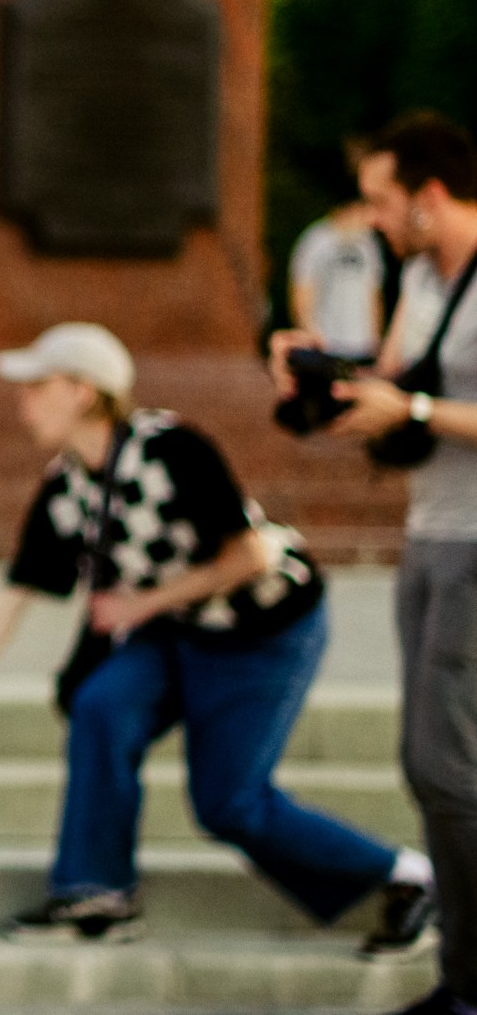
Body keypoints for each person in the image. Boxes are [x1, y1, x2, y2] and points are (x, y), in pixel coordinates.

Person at [0, 322, 434, 950]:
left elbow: (251, 557)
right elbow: (2, 611)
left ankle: (405, 877)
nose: (21, 400)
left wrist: (144, 603)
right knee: (102, 704)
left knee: (229, 804)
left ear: (83, 391)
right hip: (176, 629)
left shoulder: (172, 449)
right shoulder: (66, 489)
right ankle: (95, 894)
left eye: (36, 385)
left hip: (263, 630)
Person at [271, 112, 477, 1015]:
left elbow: (418, 403)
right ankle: (463, 981)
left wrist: (419, 413)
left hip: (476, 543)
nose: (373, 221)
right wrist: (317, 381)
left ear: (431, 198)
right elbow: (390, 383)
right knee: (424, 764)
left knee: (448, 764)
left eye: (384, 203)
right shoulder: (421, 280)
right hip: (428, 535)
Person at [290, 194, 385, 363]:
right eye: (363, 211)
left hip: (362, 347)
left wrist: (375, 338)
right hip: (327, 346)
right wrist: (311, 335)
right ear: (347, 210)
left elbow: (374, 293)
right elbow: (301, 291)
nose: (370, 220)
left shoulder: (368, 244)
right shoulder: (316, 240)